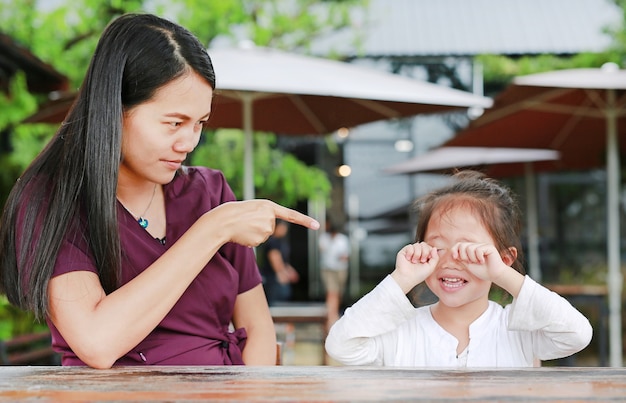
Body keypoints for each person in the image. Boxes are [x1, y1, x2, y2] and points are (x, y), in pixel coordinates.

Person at [0, 13, 320, 369]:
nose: (189, 142)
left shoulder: (209, 192)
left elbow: (258, 328)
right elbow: (97, 342)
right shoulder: (52, 201)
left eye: (200, 124)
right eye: (174, 123)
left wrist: (252, 394)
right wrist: (213, 230)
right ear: (116, 110)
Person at [325, 170, 592, 367]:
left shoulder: (519, 331)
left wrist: (501, 274)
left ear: (504, 258)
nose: (451, 261)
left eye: (469, 249)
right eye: (438, 247)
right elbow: (340, 346)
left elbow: (577, 334)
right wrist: (400, 280)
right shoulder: (401, 332)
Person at [259, 220, 300, 306]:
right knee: (278, 302)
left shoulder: (280, 241)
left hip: (278, 276)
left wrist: (290, 271)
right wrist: (281, 273)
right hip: (273, 277)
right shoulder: (273, 242)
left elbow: (284, 261)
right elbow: (275, 258)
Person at [319, 220, 350, 330]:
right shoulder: (324, 239)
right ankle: (332, 316)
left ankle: (334, 313)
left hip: (340, 269)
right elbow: (321, 249)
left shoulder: (342, 240)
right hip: (328, 269)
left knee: (337, 293)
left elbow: (346, 255)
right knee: (332, 292)